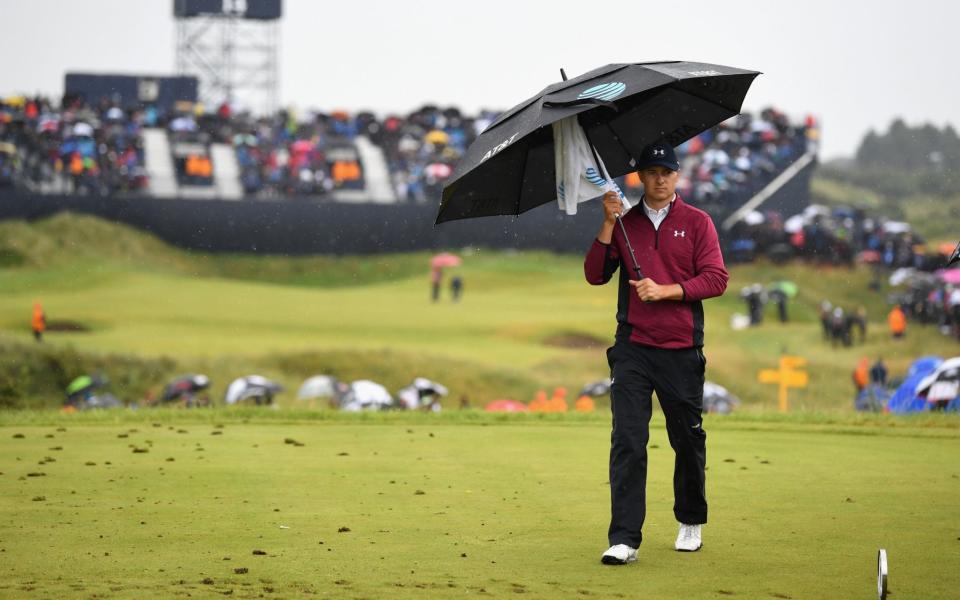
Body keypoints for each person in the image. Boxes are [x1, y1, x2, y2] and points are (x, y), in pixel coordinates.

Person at [584, 141, 729, 565]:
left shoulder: (698, 222)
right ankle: (624, 537)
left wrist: (666, 291)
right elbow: (595, 274)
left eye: (667, 171)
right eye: (652, 172)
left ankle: (690, 519)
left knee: (686, 438)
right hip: (633, 348)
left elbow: (717, 279)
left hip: (681, 348)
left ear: (677, 175)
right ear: (640, 177)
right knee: (628, 439)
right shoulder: (624, 223)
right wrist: (607, 224)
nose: (660, 178)